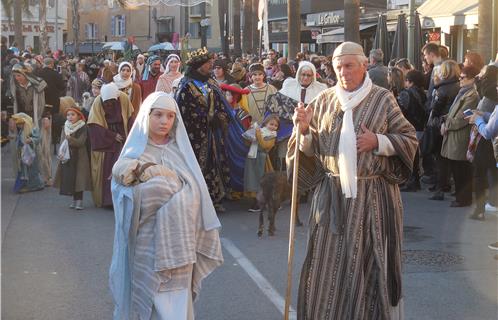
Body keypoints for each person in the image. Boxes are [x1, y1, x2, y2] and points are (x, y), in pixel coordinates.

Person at [289, 42, 418, 320]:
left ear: (364, 66)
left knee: (369, 262)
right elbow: (308, 152)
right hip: (330, 198)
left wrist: (379, 141)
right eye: (338, 67)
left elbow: (409, 139)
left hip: (374, 197)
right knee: (327, 265)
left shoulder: (383, 99)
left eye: (349, 66)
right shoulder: (323, 100)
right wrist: (303, 131)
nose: (343, 72)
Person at [110, 92, 223, 320]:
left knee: (177, 305)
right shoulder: (135, 153)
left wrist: (170, 190)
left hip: (180, 242)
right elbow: (122, 193)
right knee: (151, 300)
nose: (164, 121)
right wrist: (152, 187)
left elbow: (195, 193)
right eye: (158, 115)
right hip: (147, 241)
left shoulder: (180, 151)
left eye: (170, 116)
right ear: (146, 116)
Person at [175, 47, 231, 212]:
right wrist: (207, 119)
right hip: (195, 136)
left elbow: (222, 106)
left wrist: (220, 118)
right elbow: (184, 111)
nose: (211, 67)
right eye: (208, 64)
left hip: (212, 134)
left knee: (213, 165)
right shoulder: (186, 86)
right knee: (196, 166)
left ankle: (214, 199)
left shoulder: (211, 83)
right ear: (199, 65)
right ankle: (196, 200)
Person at [87, 83, 134, 207]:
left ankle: (122, 199)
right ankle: (108, 200)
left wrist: (129, 137)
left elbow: (130, 118)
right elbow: (94, 124)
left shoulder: (123, 98)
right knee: (107, 168)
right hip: (107, 138)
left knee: (122, 167)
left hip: (123, 137)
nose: (109, 104)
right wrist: (112, 136)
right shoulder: (98, 102)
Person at [440, 65, 479, 207]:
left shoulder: (472, 95)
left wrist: (447, 124)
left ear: (472, 79)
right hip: (454, 135)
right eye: (460, 77)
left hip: (460, 136)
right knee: (457, 168)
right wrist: (445, 121)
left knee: (461, 169)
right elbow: (453, 113)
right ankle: (460, 196)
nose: (460, 80)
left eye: (463, 78)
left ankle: (463, 199)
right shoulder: (463, 92)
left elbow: (464, 117)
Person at [10, 63, 52, 186]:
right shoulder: (13, 87)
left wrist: (46, 116)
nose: (17, 78)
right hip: (21, 122)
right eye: (15, 76)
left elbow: (49, 100)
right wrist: (10, 118)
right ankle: (25, 177)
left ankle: (46, 176)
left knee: (41, 148)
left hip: (37, 119)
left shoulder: (39, 85)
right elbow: (8, 102)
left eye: (19, 75)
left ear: (26, 74)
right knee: (21, 149)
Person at [427, 60, 460, 201]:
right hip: (450, 124)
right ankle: (445, 184)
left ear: (445, 72)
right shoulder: (458, 86)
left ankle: (440, 187)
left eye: (441, 71)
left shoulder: (442, 89)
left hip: (440, 125)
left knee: (440, 158)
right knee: (448, 157)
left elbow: (434, 109)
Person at [54, 105, 92, 210]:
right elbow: (62, 141)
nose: (70, 117)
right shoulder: (66, 126)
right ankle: (74, 201)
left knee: (79, 179)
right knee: (71, 178)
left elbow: (81, 142)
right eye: (68, 115)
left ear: (79, 116)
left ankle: (79, 201)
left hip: (80, 157)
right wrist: (61, 151)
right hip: (69, 156)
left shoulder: (83, 126)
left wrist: (70, 139)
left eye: (73, 114)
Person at [397, 70, 428, 191]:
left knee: (409, 156)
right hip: (420, 126)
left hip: (410, 126)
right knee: (414, 155)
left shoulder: (406, 93)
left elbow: (401, 111)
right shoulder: (422, 92)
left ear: (410, 81)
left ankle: (412, 181)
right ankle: (414, 180)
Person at [243, 114, 279, 212]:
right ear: (265, 123)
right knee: (252, 179)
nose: (273, 127)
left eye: (276, 126)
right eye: (271, 124)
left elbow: (264, 145)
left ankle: (262, 202)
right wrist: (250, 135)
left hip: (262, 160)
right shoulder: (260, 131)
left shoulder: (272, 136)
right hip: (252, 157)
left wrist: (257, 134)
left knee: (262, 180)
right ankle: (257, 201)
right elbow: (247, 143)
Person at [10, 113, 45, 193]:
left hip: (30, 154)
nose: (19, 126)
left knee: (32, 170)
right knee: (25, 170)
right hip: (24, 154)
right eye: (18, 124)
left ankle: (34, 186)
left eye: (20, 124)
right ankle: (28, 184)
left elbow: (37, 138)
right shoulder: (22, 130)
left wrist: (31, 140)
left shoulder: (33, 129)